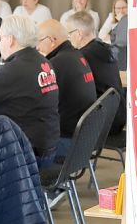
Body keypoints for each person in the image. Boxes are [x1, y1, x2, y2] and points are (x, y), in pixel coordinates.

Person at [0, 15, 59, 167]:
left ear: (10, 39)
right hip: (45, 145)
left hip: (24, 153)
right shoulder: (41, 61)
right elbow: (11, 85)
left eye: (0, 38)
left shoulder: (16, 68)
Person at [36, 19, 96, 157]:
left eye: (39, 40)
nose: (37, 47)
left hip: (67, 142)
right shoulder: (76, 56)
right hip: (85, 139)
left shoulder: (57, 63)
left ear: (51, 40)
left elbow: (37, 100)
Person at [68, 10, 127, 135]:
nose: (68, 38)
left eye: (69, 34)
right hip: (118, 117)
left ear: (78, 34)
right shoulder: (103, 49)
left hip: (101, 124)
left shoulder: (82, 57)